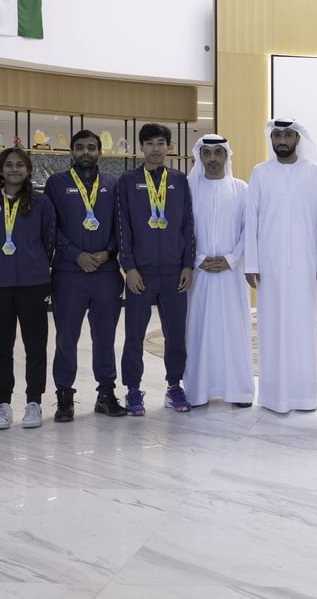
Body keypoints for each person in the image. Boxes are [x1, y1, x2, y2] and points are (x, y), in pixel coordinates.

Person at [244, 118, 317, 413]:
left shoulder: (315, 173)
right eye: (277, 135)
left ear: (297, 139)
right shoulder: (260, 172)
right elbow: (251, 219)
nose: (282, 140)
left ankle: (304, 396)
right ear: (272, 139)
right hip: (269, 266)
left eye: (288, 135)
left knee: (303, 328)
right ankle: (273, 396)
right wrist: (251, 263)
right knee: (272, 328)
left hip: (306, 264)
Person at [44, 130, 125, 421]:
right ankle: (64, 396)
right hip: (69, 273)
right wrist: (75, 254)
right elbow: (50, 226)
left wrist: (109, 252)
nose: (86, 152)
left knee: (105, 337)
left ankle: (106, 394)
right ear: (72, 152)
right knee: (66, 337)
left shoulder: (113, 184)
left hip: (106, 273)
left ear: (100, 152)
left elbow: (121, 225)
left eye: (91, 147)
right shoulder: (56, 183)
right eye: (80, 147)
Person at [0, 147, 55, 430]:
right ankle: (3, 404)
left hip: (33, 284)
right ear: (0, 169)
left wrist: (36, 265)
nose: (14, 169)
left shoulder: (41, 203)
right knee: (0, 347)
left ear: (28, 169)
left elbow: (48, 240)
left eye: (20, 164)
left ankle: (34, 403)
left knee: (35, 346)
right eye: (8, 165)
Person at [117, 123, 195, 415]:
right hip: (142, 273)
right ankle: (133, 390)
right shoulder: (128, 180)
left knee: (175, 333)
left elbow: (188, 224)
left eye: (161, 143)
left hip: (174, 273)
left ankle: (174, 386)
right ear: (142, 147)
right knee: (134, 334)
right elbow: (122, 225)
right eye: (150, 143)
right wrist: (129, 267)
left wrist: (187, 264)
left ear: (169, 147)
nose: (155, 149)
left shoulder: (179, 180)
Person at [184, 134, 254, 407]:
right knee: (198, 331)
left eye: (218, 152)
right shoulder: (189, 188)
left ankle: (239, 391)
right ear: (200, 156)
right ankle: (198, 391)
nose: (212, 158)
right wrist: (198, 258)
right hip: (199, 274)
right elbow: (182, 228)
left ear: (226, 155)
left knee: (234, 330)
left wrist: (231, 258)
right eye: (207, 153)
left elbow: (250, 229)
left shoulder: (241, 189)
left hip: (231, 274)